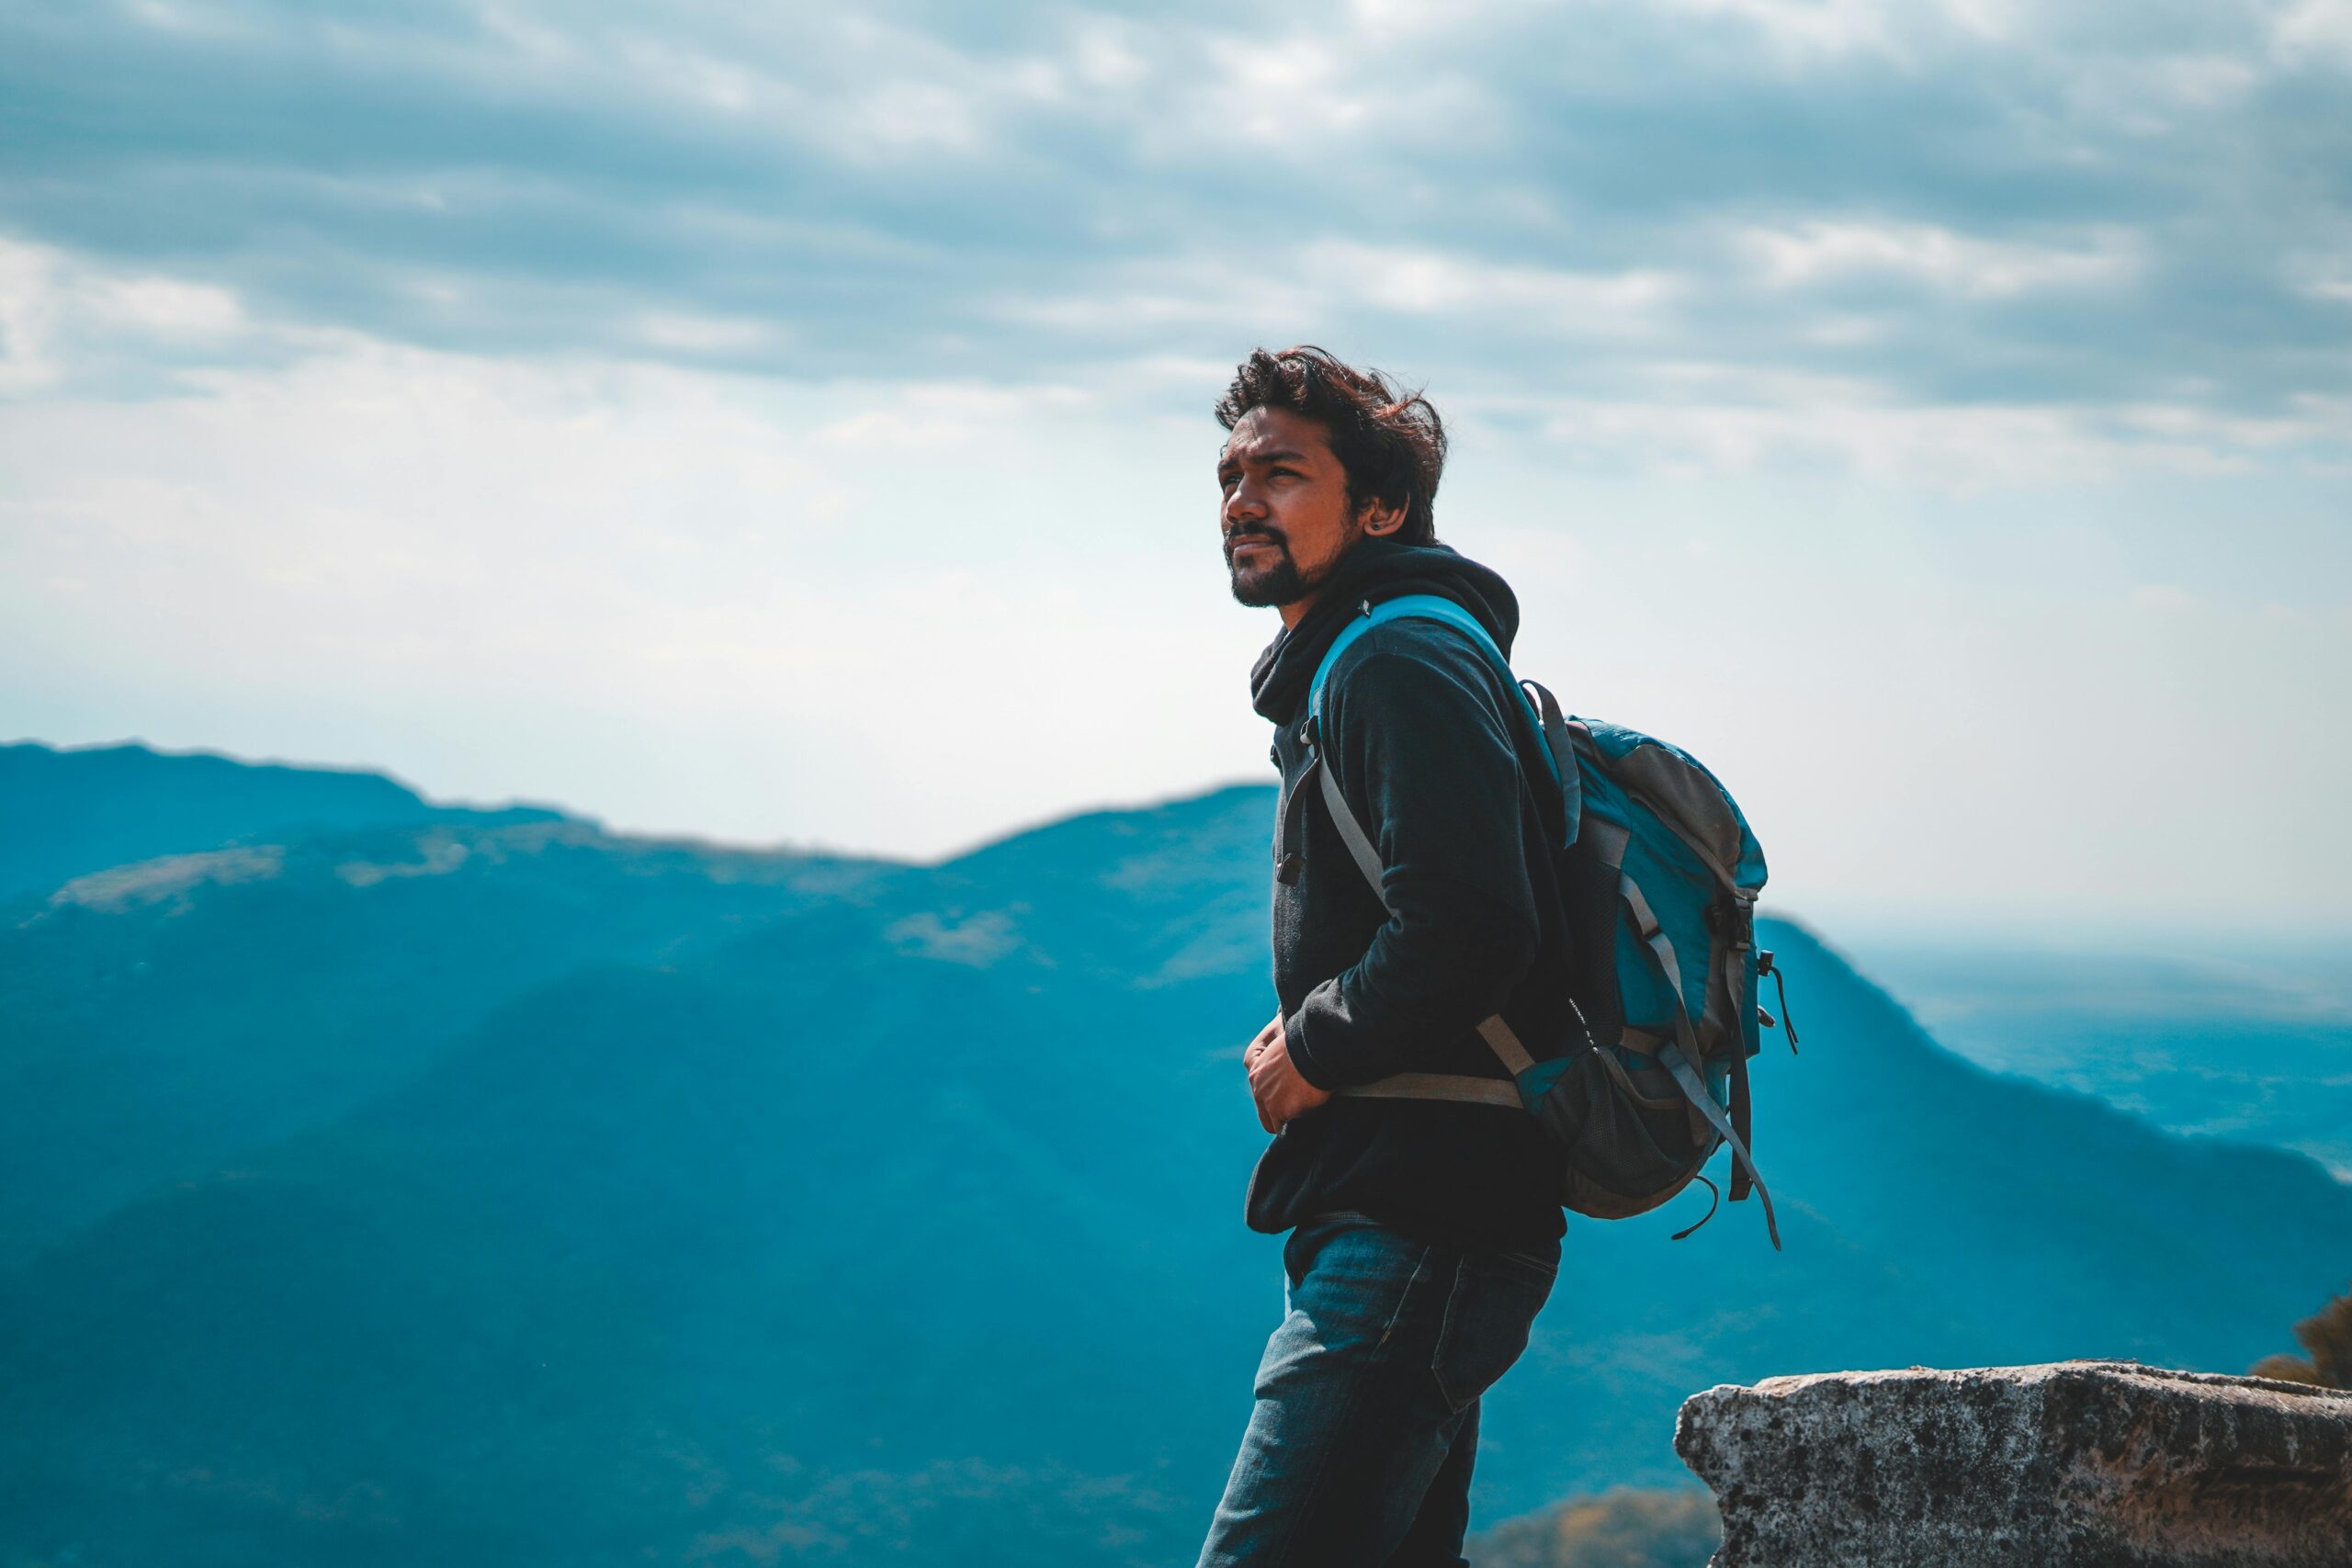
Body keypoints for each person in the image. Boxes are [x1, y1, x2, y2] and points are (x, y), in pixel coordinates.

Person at [1195, 346, 1580, 1566]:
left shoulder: (1398, 661)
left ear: (1380, 509)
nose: (1241, 501)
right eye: (1230, 475)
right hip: (1398, 1206)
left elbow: (1472, 923)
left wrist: (1313, 1048)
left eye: (1280, 474)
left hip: (1424, 1219)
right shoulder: (1362, 661)